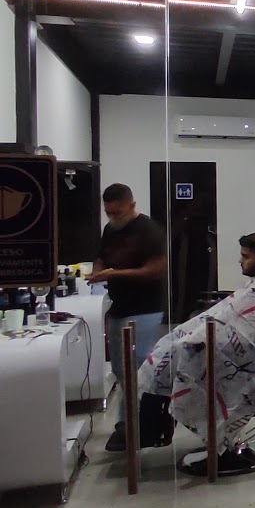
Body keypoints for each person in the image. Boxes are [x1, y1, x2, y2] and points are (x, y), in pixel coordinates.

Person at [142, 231, 255, 477]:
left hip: (245, 367)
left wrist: (195, 343)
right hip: (227, 355)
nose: (240, 261)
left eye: (245, 257)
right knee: (169, 355)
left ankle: (161, 429)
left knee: (177, 363)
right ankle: (154, 428)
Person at [89, 183, 168, 453]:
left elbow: (156, 270)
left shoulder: (149, 231)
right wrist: (98, 271)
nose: (113, 218)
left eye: (118, 212)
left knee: (137, 366)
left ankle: (136, 424)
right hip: (119, 307)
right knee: (120, 369)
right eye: (109, 213)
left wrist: (115, 274)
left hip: (145, 308)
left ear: (132, 205)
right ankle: (130, 421)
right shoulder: (110, 230)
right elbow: (101, 257)